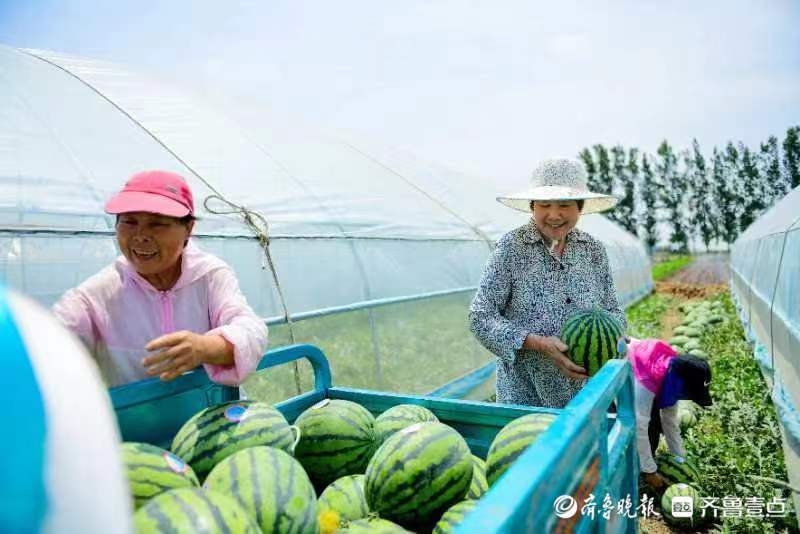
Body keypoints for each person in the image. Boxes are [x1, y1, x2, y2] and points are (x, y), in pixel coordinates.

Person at [53, 170, 268, 388]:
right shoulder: (96, 295)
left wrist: (203, 347)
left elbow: (251, 330)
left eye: (157, 224)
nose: (141, 235)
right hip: (136, 420)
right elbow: (51, 339)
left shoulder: (209, 275)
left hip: (209, 413)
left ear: (188, 229)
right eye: (129, 221)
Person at [469, 158, 626, 408]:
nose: (554, 215)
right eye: (544, 205)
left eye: (565, 204)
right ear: (532, 206)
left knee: (585, 448)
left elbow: (613, 310)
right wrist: (539, 343)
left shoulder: (593, 251)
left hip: (586, 395)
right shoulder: (511, 248)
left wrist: (613, 334)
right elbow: (480, 318)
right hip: (526, 396)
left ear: (580, 207)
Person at [624, 338, 712, 490]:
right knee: (646, 429)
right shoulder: (648, 381)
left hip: (644, 376)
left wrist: (680, 459)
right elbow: (639, 427)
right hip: (621, 376)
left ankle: (643, 464)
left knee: (655, 427)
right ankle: (633, 475)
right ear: (682, 385)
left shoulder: (673, 377)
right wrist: (649, 471)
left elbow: (670, 423)